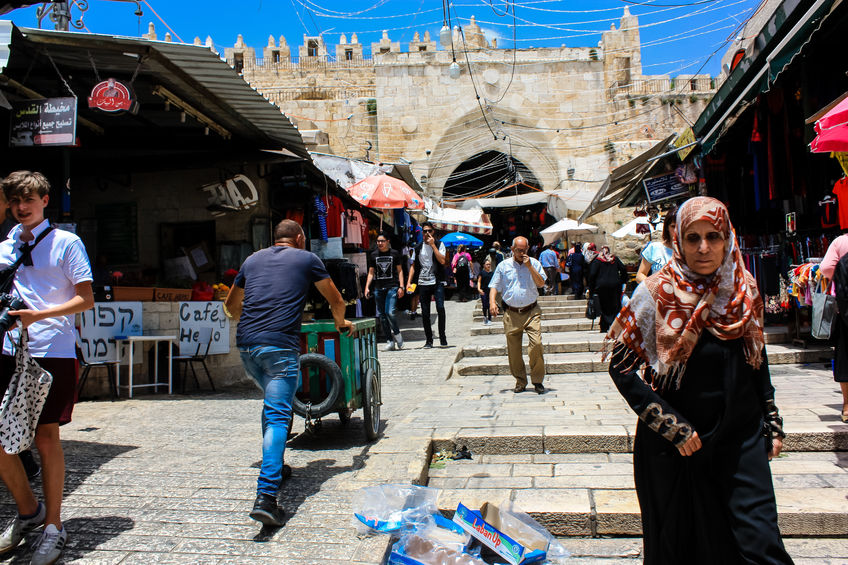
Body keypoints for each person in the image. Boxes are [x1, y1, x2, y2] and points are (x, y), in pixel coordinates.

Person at [605, 196, 791, 564]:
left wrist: (771, 418)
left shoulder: (744, 288)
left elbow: (757, 357)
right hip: (677, 447)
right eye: (693, 238)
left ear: (728, 239)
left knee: (761, 545)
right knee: (682, 548)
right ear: (678, 241)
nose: (704, 248)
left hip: (740, 441)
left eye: (713, 236)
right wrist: (671, 425)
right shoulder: (656, 292)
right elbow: (620, 366)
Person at [225, 219, 352, 527]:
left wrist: (255, 320)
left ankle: (277, 467)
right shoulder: (308, 258)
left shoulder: (252, 259)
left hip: (247, 348)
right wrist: (341, 323)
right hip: (280, 348)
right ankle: (266, 497)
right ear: (298, 238)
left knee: (272, 406)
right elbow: (334, 297)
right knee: (279, 416)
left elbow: (230, 305)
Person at [0, 171, 95, 565]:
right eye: (14, 200)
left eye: (29, 199)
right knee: (2, 437)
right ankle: (28, 511)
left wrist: (37, 316)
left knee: (46, 436)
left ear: (44, 199)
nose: (22, 207)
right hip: (9, 350)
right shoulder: (5, 246)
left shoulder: (66, 242)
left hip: (52, 349)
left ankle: (54, 526)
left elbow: (85, 300)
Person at [488, 236, 547, 394]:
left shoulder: (534, 263)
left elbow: (541, 284)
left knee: (536, 345)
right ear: (513, 250)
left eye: (525, 250)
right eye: (519, 250)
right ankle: (520, 381)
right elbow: (494, 286)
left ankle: (537, 380)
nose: (522, 253)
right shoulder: (503, 266)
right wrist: (492, 302)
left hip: (531, 311)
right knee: (514, 351)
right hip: (511, 313)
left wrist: (529, 267)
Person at [819, 233, 848, 422]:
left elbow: (826, 268)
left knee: (845, 356)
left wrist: (837, 276)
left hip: (845, 308)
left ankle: (847, 406)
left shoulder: (841, 241)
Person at [407, 222, 448, 348]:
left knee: (440, 308)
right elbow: (413, 266)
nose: (427, 233)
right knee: (425, 312)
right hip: (423, 282)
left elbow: (442, 261)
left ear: (433, 231)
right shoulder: (418, 248)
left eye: (429, 230)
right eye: (424, 231)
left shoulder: (440, 245)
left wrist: (433, 245)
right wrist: (409, 281)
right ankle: (429, 340)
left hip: (437, 281)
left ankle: (442, 337)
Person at [364, 234, 404, 351]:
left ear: (387, 241)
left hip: (392, 287)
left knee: (390, 312)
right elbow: (371, 272)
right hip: (378, 288)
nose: (380, 243)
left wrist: (401, 286)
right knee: (382, 316)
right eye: (378, 241)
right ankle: (390, 341)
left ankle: (397, 335)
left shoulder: (395, 253)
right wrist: (367, 287)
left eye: (382, 241)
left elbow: (400, 271)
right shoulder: (373, 255)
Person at [588, 245, 628, 332]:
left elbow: (592, 275)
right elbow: (623, 269)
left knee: (604, 306)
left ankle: (605, 325)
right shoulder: (614, 259)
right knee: (615, 305)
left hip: (602, 287)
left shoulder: (597, 261)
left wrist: (591, 289)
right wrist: (622, 281)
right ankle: (613, 324)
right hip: (615, 285)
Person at [635, 208, 677, 284]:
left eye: (680, 226)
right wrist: (655, 286)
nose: (677, 230)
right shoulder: (654, 248)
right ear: (667, 227)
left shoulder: (690, 250)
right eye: (673, 226)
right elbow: (640, 275)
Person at [476, 258, 494, 325]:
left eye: (489, 264)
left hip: (490, 291)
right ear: (484, 265)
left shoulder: (492, 273)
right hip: (483, 291)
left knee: (490, 305)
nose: (488, 266)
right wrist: (479, 289)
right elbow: (479, 281)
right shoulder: (482, 273)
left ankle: (489, 319)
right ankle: (484, 317)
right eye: (487, 264)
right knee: (484, 305)